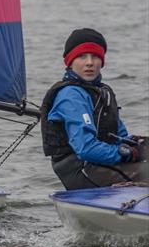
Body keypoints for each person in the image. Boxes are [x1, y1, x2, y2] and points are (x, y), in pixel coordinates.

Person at [41, 28, 147, 190]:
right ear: (70, 62)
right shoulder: (70, 96)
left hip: (102, 163)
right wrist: (127, 154)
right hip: (82, 169)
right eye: (82, 56)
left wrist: (138, 146)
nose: (89, 62)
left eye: (95, 56)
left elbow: (120, 137)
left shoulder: (103, 92)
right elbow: (86, 149)